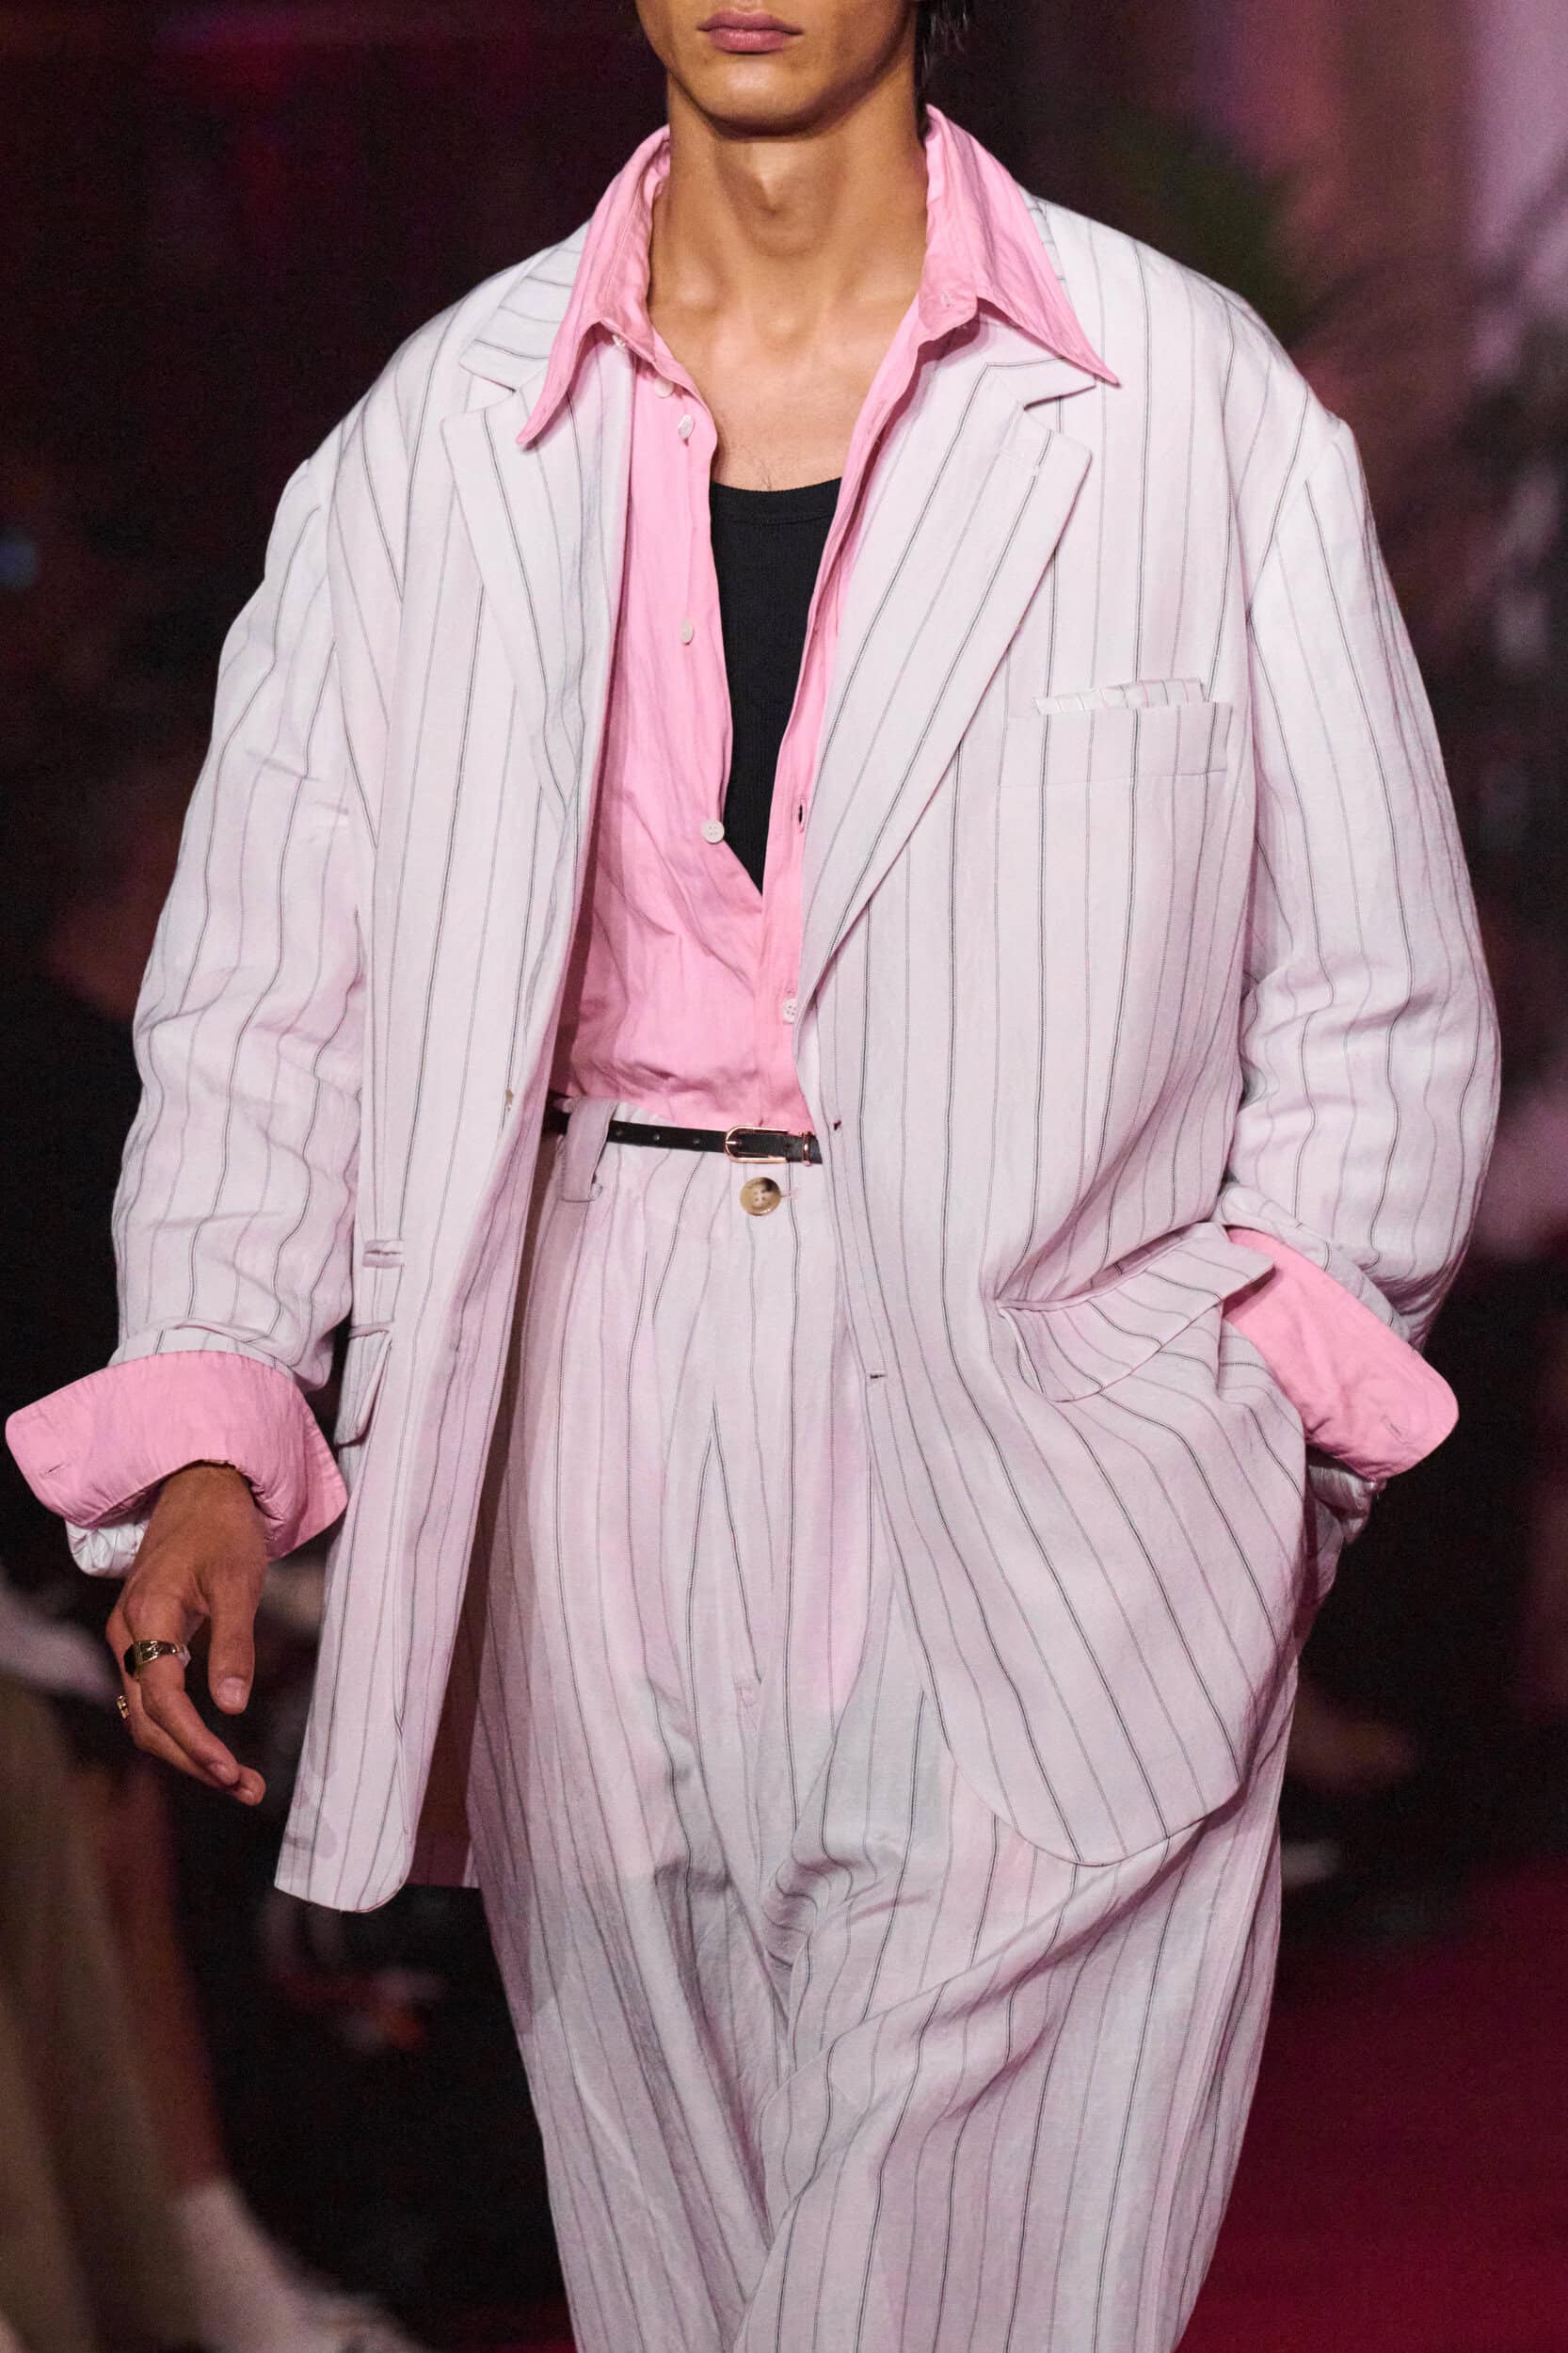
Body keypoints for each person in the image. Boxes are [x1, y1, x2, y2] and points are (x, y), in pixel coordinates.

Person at [8, 4, 1498, 2346]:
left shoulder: (1185, 408)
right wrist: (212, 1412)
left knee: (943, 2275)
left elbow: (1370, 981)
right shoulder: (440, 434)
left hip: (1061, 1416)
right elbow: (276, 981)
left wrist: (1258, 1434)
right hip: (577, 1423)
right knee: (682, 2287)